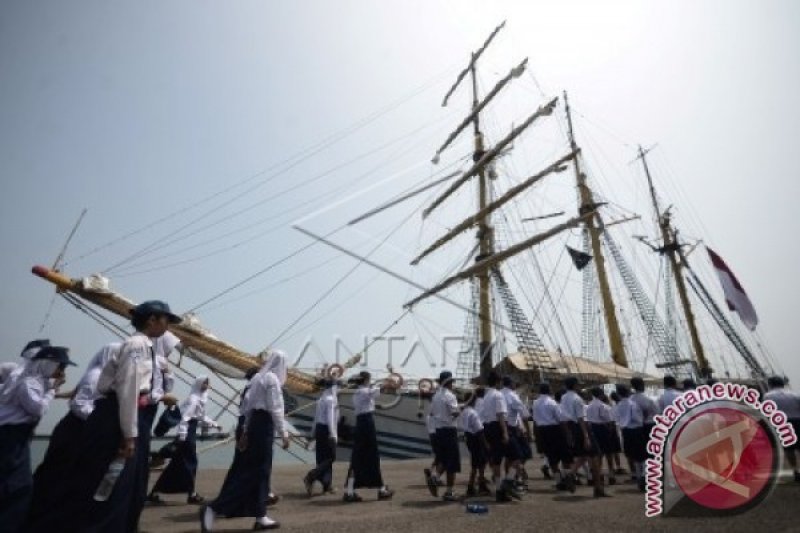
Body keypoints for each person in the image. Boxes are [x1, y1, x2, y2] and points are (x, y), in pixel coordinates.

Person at [38, 300, 181, 533]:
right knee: (110, 484)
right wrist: (129, 435)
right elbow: (128, 390)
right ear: (152, 320)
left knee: (127, 486)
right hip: (116, 417)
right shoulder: (137, 345)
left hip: (126, 415)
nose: (168, 325)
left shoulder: (147, 347)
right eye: (166, 319)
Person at [26, 342, 120, 529]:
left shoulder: (101, 376)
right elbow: (79, 404)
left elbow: (75, 396)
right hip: (75, 431)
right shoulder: (96, 377)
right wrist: (100, 421)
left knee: (62, 475)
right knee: (57, 474)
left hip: (78, 429)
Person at [201, 350, 290, 531]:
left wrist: (245, 432)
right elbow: (276, 408)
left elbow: (247, 409)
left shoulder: (257, 378)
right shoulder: (272, 379)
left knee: (258, 472)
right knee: (258, 471)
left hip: (254, 424)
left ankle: (261, 516)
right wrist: (284, 433)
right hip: (264, 425)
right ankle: (214, 507)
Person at [0, 345, 74, 533]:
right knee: (20, 487)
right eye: (60, 366)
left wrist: (53, 388)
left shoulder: (35, 381)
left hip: (17, 434)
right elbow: (37, 408)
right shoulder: (28, 383)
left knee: (14, 485)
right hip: (11, 435)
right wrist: (53, 390)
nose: (61, 371)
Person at [148, 375, 221, 504]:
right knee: (191, 463)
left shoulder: (198, 399)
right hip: (187, 435)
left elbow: (200, 417)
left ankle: (156, 492)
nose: (207, 386)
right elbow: (185, 419)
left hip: (189, 433)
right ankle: (191, 494)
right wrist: (182, 436)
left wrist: (214, 424)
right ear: (199, 384)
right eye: (205, 383)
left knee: (178, 464)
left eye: (207, 384)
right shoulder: (193, 400)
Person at [342, 371, 394, 503]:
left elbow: (370, 398)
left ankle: (350, 490)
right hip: (367, 424)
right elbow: (381, 388)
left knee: (357, 457)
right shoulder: (366, 391)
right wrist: (391, 378)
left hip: (360, 423)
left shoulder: (357, 394)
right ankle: (381, 490)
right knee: (373, 456)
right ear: (366, 380)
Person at [479, 371, 522, 502]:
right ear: (498, 382)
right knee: (517, 456)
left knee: (496, 459)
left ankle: (499, 491)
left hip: (488, 427)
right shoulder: (498, 395)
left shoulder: (485, 397)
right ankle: (508, 481)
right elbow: (501, 415)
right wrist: (504, 432)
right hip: (499, 427)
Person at [424, 370, 460, 501]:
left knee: (444, 459)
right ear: (449, 382)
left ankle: (435, 477)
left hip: (439, 430)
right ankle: (449, 491)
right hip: (449, 430)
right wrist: (459, 409)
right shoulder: (450, 396)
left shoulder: (435, 396)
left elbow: (432, 413)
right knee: (452, 463)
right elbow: (455, 413)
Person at [303, 377, 339, 496]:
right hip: (327, 429)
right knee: (331, 458)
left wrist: (312, 433)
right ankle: (311, 476)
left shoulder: (321, 399)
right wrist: (333, 434)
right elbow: (330, 419)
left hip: (319, 429)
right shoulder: (331, 400)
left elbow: (316, 418)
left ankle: (326, 485)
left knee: (322, 458)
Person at [763, 375, 800, 482]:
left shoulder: (768, 396)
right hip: (797, 420)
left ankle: (796, 471)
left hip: (782, 423)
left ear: (770, 385)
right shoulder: (794, 393)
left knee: (789, 449)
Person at [459, 388, 490, 497]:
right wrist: (486, 444)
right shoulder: (473, 413)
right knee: (479, 463)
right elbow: (480, 430)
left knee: (476, 463)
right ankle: (474, 486)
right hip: (476, 439)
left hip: (469, 438)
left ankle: (475, 485)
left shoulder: (464, 412)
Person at [615, 384, 646, 492]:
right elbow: (637, 418)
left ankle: (638, 477)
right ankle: (643, 476)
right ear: (628, 392)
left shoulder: (618, 405)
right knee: (643, 455)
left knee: (634, 456)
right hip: (636, 429)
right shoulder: (633, 404)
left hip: (625, 431)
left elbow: (617, 419)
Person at [586, 387, 615, 493]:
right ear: (601, 394)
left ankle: (599, 475)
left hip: (592, 429)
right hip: (602, 429)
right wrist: (610, 429)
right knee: (608, 452)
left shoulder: (589, 406)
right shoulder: (603, 406)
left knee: (598, 455)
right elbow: (607, 419)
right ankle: (609, 474)